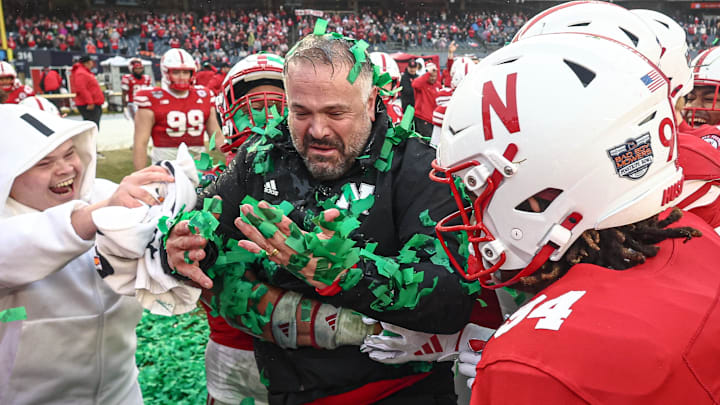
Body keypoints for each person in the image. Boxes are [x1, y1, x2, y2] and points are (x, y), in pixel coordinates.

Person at [163, 32, 474, 404]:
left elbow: (452, 298)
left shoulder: (421, 167)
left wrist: (346, 272)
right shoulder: (261, 156)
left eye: (335, 112)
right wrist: (192, 244)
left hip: (400, 392)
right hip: (288, 390)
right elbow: (209, 223)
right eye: (301, 112)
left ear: (372, 100)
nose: (318, 130)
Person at [430, 32, 720, 403]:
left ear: (541, 191)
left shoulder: (528, 366)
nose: (472, 210)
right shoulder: (693, 236)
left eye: (474, 189)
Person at [0, 104, 174, 404]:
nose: (66, 168)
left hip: (122, 392)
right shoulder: (102, 206)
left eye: (70, 153)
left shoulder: (104, 194)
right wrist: (96, 217)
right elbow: (14, 249)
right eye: (43, 162)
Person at [132, 48, 223, 170]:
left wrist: (235, 158)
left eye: (186, 72)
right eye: (176, 72)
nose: (182, 77)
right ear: (165, 72)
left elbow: (216, 136)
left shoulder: (204, 95)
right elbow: (140, 144)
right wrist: (139, 176)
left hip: (198, 166)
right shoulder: (151, 98)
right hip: (165, 166)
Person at [70, 55, 104, 129]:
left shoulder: (85, 72)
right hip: (88, 104)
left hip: (93, 102)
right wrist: (90, 102)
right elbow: (82, 89)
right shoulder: (81, 73)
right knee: (92, 126)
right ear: (87, 63)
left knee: (93, 125)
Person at [369, 51, 404, 124]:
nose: (383, 87)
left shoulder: (396, 110)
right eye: (379, 81)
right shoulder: (356, 113)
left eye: (388, 82)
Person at [411, 61, 441, 138]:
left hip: (434, 119)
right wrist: (428, 74)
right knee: (426, 141)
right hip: (423, 118)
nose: (433, 78)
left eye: (434, 76)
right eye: (431, 76)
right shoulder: (422, 83)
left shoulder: (438, 85)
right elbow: (415, 84)